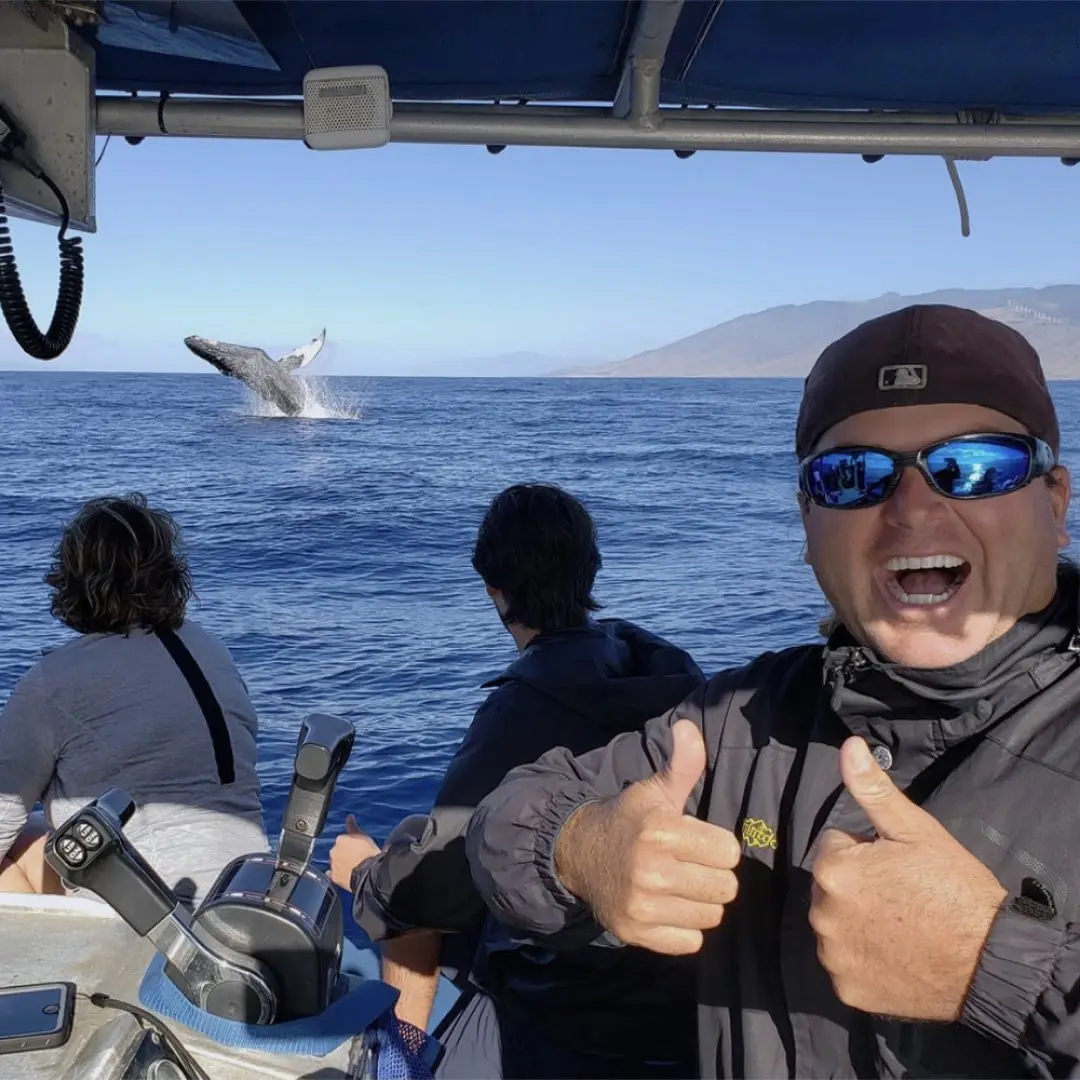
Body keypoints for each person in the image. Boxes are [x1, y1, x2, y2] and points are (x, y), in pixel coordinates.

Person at [466, 305, 1080, 1078]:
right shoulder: (743, 719)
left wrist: (1000, 970)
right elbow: (504, 821)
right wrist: (584, 850)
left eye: (978, 466)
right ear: (807, 518)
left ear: (1054, 502)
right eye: (853, 476)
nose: (915, 509)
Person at [329, 482, 705, 1078]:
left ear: (493, 590)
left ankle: (398, 1060)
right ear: (591, 570)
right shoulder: (664, 669)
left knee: (408, 872)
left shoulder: (526, 705)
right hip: (682, 999)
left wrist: (366, 875)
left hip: (577, 1017)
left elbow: (439, 885)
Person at [0, 493, 268, 904]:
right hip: (245, 892)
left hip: (149, 924)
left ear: (71, 580)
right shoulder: (210, 650)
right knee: (38, 834)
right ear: (169, 575)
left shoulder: (51, 683)